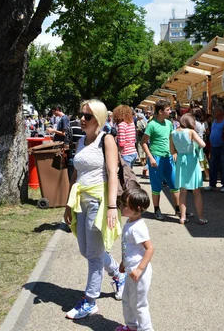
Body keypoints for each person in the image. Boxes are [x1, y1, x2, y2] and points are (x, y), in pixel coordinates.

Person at [63, 99, 124, 320]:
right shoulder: (81, 142)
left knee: (94, 255)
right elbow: (75, 173)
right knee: (86, 250)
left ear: (98, 118)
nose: (82, 119)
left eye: (87, 116)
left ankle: (90, 301)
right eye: (81, 114)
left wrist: (111, 207)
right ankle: (118, 274)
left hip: (99, 201)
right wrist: (68, 204)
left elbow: (113, 173)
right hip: (80, 200)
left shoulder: (106, 139)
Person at [116, 187, 155, 331]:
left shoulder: (138, 227)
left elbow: (150, 249)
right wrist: (123, 262)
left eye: (125, 205)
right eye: (121, 203)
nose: (121, 207)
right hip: (131, 271)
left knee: (139, 304)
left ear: (137, 208)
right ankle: (132, 326)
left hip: (139, 273)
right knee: (127, 300)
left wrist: (139, 269)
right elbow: (130, 247)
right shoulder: (130, 222)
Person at [140, 99, 181, 220]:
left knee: (174, 184)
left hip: (168, 157)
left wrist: (174, 152)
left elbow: (170, 139)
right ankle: (157, 209)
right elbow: (143, 142)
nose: (170, 111)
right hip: (156, 158)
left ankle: (178, 209)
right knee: (156, 186)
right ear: (160, 111)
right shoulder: (152, 125)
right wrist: (151, 157)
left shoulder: (169, 123)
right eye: (168, 109)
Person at [171, 113, 207, 225]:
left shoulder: (172, 133)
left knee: (183, 192)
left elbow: (172, 151)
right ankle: (201, 217)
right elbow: (203, 144)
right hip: (191, 160)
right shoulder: (191, 132)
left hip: (181, 161)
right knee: (196, 191)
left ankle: (182, 217)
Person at [206, 107, 224, 192]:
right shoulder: (214, 121)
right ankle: (212, 184)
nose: (213, 113)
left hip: (223, 147)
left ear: (221, 112)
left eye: (215, 111)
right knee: (213, 166)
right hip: (214, 147)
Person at [192, 107, 210, 182]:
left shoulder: (194, 123)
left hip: (195, 143)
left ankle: (196, 179)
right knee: (202, 160)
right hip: (201, 142)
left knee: (195, 161)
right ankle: (208, 176)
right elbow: (207, 132)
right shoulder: (203, 123)